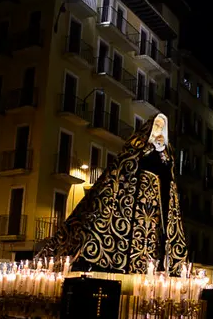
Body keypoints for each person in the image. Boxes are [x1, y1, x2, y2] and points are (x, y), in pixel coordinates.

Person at [39, 113, 190, 274]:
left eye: (161, 127)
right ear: (150, 126)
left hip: (154, 200)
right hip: (134, 198)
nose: (159, 129)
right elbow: (127, 164)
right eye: (157, 125)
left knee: (151, 235)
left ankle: (150, 266)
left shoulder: (166, 152)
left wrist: (162, 154)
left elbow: (168, 176)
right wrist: (150, 149)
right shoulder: (136, 143)